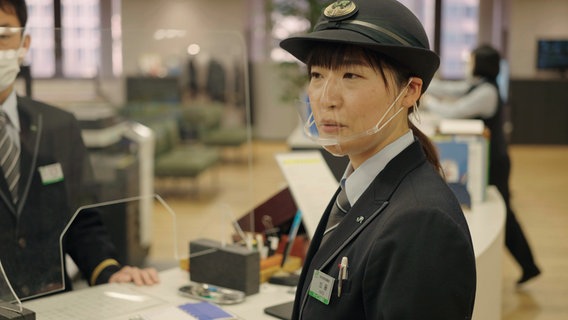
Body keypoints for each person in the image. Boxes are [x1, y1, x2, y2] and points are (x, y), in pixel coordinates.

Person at [279, 0, 476, 318]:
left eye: (351, 75)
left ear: (410, 91)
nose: (326, 98)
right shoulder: (358, 184)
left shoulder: (422, 222)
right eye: (317, 74)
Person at [0, 0, 158, 300]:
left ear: (24, 44)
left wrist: (108, 270)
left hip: (51, 303)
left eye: (3, 34)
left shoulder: (58, 126)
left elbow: (80, 219)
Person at [423, 44, 542, 285]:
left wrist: (423, 98)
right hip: (492, 158)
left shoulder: (487, 91)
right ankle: (529, 265)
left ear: (481, 64)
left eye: (472, 60)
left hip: (495, 162)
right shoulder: (477, 85)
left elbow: (454, 111)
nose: (468, 64)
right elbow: (450, 89)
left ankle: (529, 265)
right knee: (503, 211)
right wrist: (420, 80)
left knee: (505, 213)